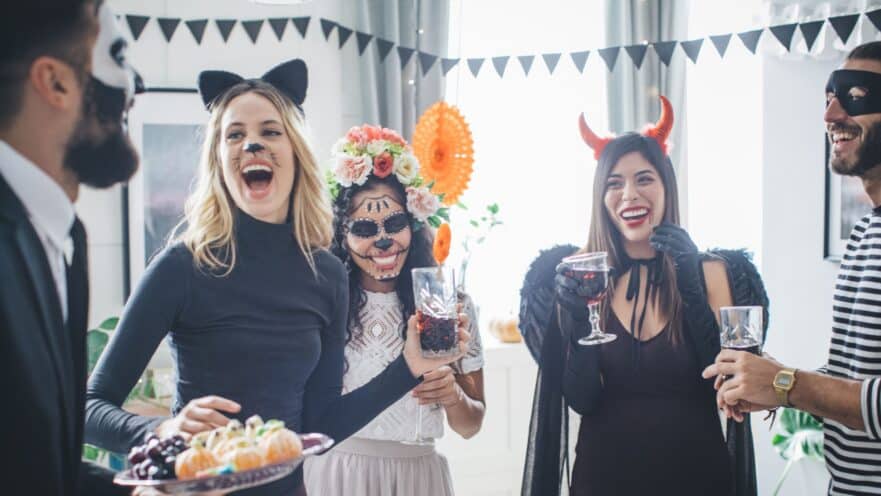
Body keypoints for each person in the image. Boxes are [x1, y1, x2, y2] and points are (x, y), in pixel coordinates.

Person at [84, 60, 469, 496]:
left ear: (295, 152)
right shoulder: (181, 266)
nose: (252, 144)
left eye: (270, 131)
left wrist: (409, 367)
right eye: (234, 135)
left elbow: (320, 425)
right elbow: (89, 408)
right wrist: (163, 430)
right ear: (218, 159)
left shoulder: (327, 274)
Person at [519, 96, 769, 496]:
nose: (629, 194)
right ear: (601, 197)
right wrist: (579, 323)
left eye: (644, 179)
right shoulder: (579, 276)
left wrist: (689, 283)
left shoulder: (714, 273)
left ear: (667, 186)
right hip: (603, 481)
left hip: (699, 481)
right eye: (614, 183)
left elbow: (726, 385)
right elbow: (583, 400)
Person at [704, 41, 881, 495]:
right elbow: (856, 381)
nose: (830, 115)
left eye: (856, 95)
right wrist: (775, 381)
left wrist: (788, 384)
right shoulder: (866, 232)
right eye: (829, 98)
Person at [0, 1, 144, 494]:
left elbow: (37, 464)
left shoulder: (63, 236)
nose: (135, 86)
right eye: (118, 57)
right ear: (55, 83)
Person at [303, 124, 485, 495]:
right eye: (364, 228)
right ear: (342, 235)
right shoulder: (323, 304)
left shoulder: (447, 303)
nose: (383, 241)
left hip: (418, 478)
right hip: (338, 475)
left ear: (414, 224)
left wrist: (451, 394)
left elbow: (471, 426)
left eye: (395, 223)